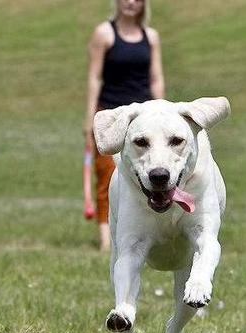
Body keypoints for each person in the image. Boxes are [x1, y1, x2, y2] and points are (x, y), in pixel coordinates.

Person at [83, 0, 165, 251]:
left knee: (148, 175)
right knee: (107, 175)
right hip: (112, 115)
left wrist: (164, 113)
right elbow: (95, 77)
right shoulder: (104, 33)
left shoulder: (150, 37)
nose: (131, 2)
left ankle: (146, 235)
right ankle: (107, 240)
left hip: (144, 119)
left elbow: (155, 77)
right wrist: (90, 119)